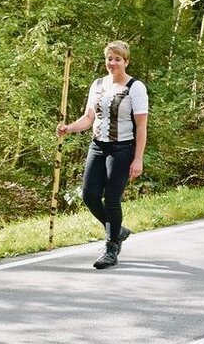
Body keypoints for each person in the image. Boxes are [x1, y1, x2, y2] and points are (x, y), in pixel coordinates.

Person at [58, 41, 149, 270]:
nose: (112, 63)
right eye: (109, 59)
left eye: (117, 59)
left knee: (111, 199)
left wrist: (138, 159)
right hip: (98, 146)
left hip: (122, 148)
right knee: (89, 195)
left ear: (126, 61)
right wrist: (69, 128)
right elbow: (88, 118)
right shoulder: (98, 85)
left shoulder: (135, 87)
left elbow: (141, 127)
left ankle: (111, 247)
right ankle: (117, 230)